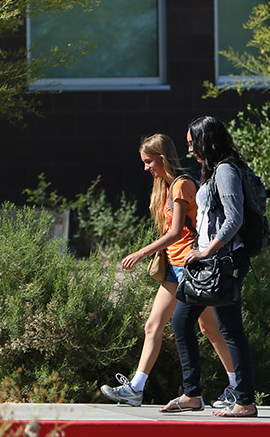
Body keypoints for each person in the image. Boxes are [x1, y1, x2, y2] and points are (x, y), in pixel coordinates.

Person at [98, 134, 236, 408]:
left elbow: (175, 233)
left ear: (163, 157)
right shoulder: (165, 188)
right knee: (154, 326)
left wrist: (141, 252)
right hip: (175, 270)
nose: (146, 167)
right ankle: (136, 388)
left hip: (191, 268)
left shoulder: (182, 185)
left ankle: (235, 386)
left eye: (149, 161)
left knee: (209, 329)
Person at [159, 116, 259, 418]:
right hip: (209, 261)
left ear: (207, 141)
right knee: (181, 322)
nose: (190, 150)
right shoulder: (214, 170)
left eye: (193, 143)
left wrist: (206, 250)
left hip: (224, 261)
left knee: (230, 329)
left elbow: (234, 218)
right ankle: (192, 394)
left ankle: (245, 401)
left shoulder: (226, 170)